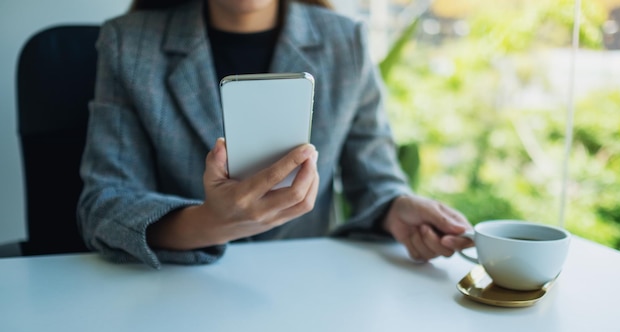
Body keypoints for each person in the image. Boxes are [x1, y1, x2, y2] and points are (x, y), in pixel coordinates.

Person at [78, 0, 473, 269]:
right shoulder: (127, 44)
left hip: (303, 289)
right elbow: (105, 205)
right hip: (174, 291)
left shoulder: (345, 42)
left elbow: (375, 180)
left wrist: (395, 209)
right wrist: (210, 222)